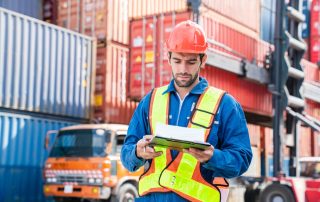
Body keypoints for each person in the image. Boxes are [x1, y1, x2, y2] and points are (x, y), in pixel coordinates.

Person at [121, 20, 252, 202]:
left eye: (191, 62)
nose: (183, 69)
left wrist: (213, 157)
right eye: (177, 61)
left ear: (203, 60)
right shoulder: (150, 101)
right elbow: (126, 155)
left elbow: (242, 159)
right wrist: (137, 152)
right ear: (169, 59)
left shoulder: (225, 104)